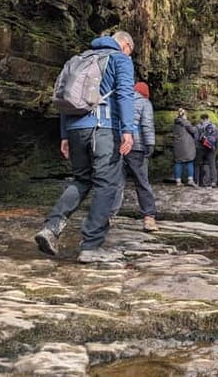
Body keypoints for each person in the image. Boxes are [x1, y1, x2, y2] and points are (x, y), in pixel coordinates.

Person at [34, 31, 135, 263]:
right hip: (104, 128)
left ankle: (51, 228)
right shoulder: (120, 59)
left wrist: (64, 135)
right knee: (107, 184)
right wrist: (128, 130)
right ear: (125, 45)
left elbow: (65, 97)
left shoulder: (78, 59)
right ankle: (91, 246)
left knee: (81, 180)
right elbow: (125, 94)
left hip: (75, 130)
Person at [110, 82, 158, 231]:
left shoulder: (119, 100)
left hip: (117, 145)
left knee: (116, 182)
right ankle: (149, 217)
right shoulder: (144, 103)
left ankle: (108, 216)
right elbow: (147, 124)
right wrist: (150, 144)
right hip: (136, 146)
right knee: (142, 182)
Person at [172, 108, 197, 186]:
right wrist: (196, 127)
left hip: (177, 146)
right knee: (190, 161)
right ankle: (190, 180)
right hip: (187, 146)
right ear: (184, 115)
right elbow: (193, 130)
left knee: (178, 162)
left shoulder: (175, 124)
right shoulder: (186, 122)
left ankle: (178, 181)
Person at [195, 114, 218, 188]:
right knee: (212, 165)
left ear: (201, 119)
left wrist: (197, 146)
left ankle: (197, 181)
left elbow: (196, 138)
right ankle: (213, 182)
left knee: (197, 164)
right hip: (211, 148)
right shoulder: (214, 127)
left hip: (200, 148)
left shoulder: (198, 127)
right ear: (208, 118)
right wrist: (215, 147)